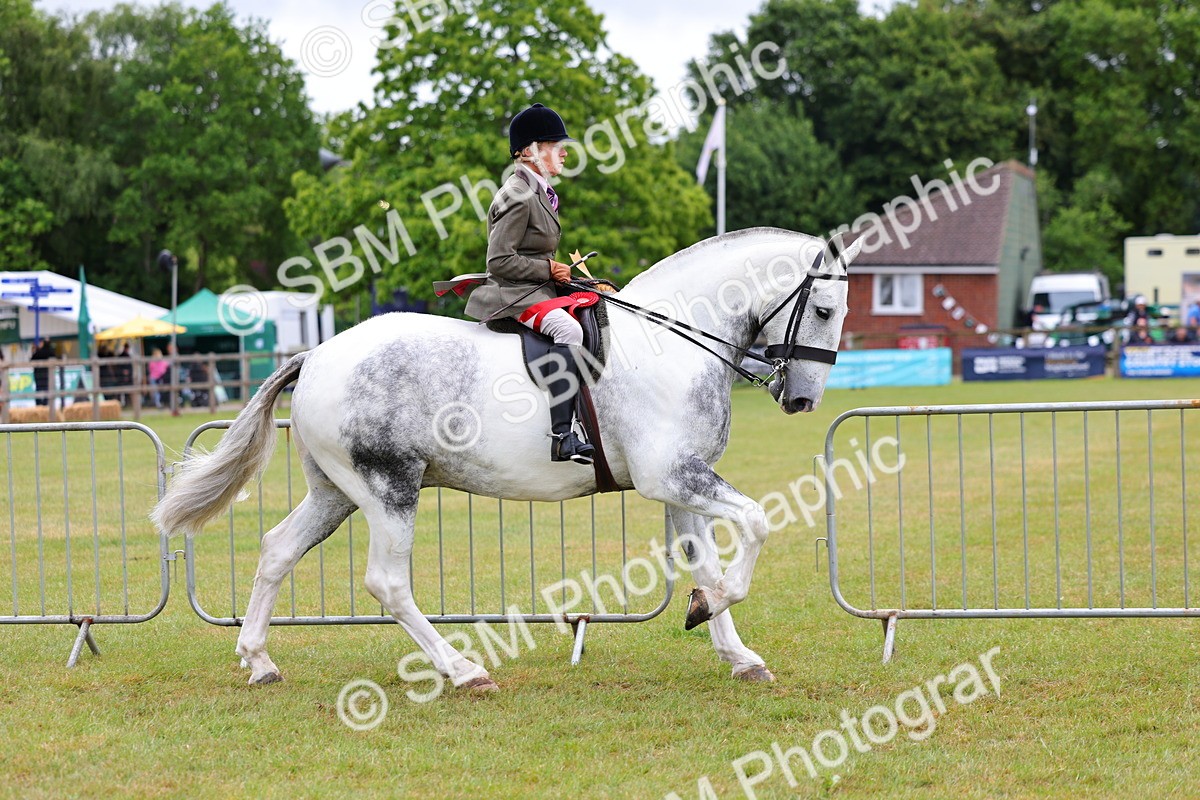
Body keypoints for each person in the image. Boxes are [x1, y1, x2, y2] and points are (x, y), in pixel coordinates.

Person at [463, 102, 594, 465]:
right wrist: (548, 270)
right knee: (569, 331)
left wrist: (563, 274)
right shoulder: (518, 194)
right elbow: (499, 260)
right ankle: (562, 437)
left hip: (535, 289)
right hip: (514, 296)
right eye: (555, 145)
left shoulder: (538, 190)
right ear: (530, 151)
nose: (564, 152)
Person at [30, 338, 55, 406]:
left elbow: (31, 360)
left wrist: (35, 351)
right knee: (47, 389)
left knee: (39, 390)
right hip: (47, 375)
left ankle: (39, 404)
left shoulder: (38, 352)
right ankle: (45, 404)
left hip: (38, 375)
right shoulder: (51, 352)